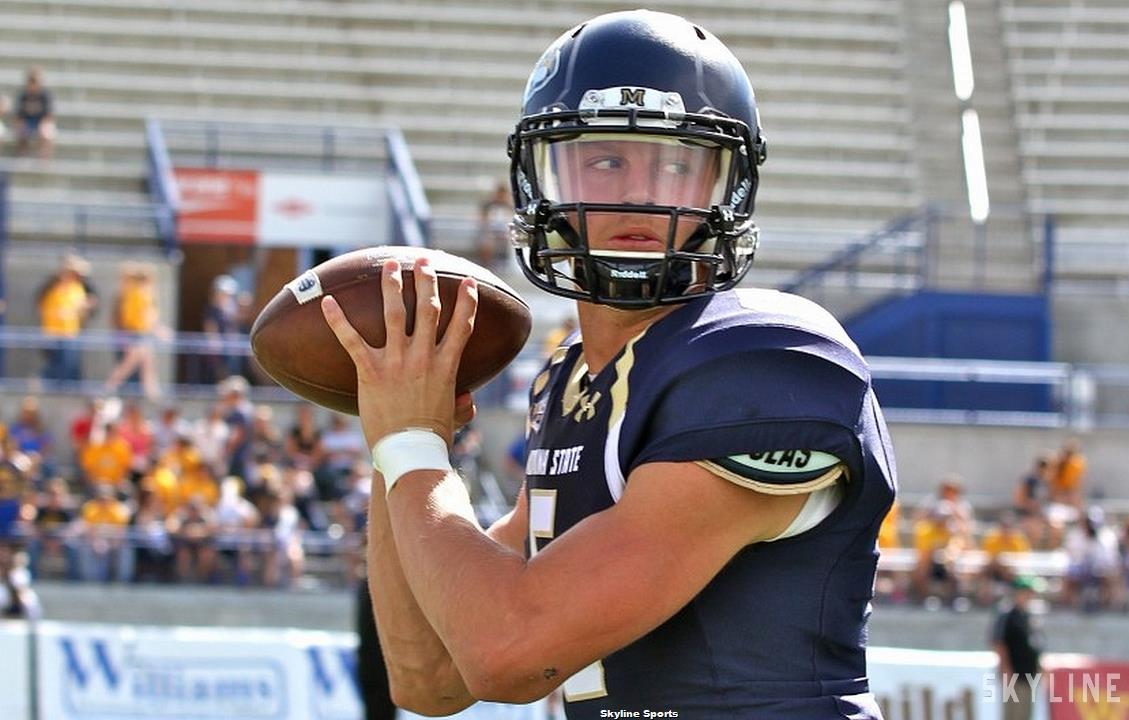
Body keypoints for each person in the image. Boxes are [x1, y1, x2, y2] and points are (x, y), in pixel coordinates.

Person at [319, 10, 895, 718]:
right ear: (542, 180)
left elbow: (508, 648)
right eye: (605, 160)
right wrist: (396, 431)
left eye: (677, 164)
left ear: (729, 189)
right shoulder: (571, 381)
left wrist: (412, 446)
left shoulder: (769, 361)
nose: (639, 193)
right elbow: (429, 676)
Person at [103, 263, 166, 400]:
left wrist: (158, 329)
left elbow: (150, 317)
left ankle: (151, 390)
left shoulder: (143, 294)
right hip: (130, 333)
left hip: (139, 333)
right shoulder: (132, 294)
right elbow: (131, 317)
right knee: (135, 359)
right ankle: (110, 386)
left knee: (146, 361)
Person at [37, 254, 96, 385]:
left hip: (70, 333)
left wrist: (83, 309)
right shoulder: (52, 287)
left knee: (69, 366)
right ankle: (41, 384)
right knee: (55, 365)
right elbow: (41, 305)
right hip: (52, 332)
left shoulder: (77, 288)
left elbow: (85, 308)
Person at [992, 574, 1045, 720]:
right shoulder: (1007, 615)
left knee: (1025, 714)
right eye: (1026, 592)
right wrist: (1006, 669)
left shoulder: (1028, 616)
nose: (1029, 596)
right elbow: (999, 642)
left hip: (1029, 676)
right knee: (1013, 714)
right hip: (1014, 676)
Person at [12, 66, 55, 159]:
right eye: (31, 81)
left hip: (41, 122)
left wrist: (41, 126)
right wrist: (22, 126)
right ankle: (22, 157)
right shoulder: (22, 95)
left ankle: (44, 160)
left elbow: (49, 115)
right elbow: (18, 116)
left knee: (45, 133)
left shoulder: (45, 95)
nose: (33, 84)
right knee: (21, 132)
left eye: (35, 82)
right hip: (27, 122)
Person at [473, 179, 514, 271]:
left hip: (506, 232)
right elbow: (482, 220)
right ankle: (487, 265)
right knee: (486, 241)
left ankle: (506, 264)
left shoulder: (509, 206)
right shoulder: (488, 205)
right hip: (490, 231)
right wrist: (488, 231)